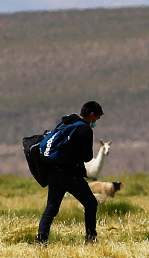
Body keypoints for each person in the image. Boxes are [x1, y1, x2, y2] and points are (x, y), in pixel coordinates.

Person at [36, 101, 103, 245]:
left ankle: (41, 239)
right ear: (91, 115)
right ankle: (90, 239)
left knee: (51, 207)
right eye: (96, 119)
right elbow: (87, 157)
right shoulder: (85, 129)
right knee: (91, 203)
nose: (95, 122)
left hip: (54, 172)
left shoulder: (65, 124)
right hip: (70, 175)